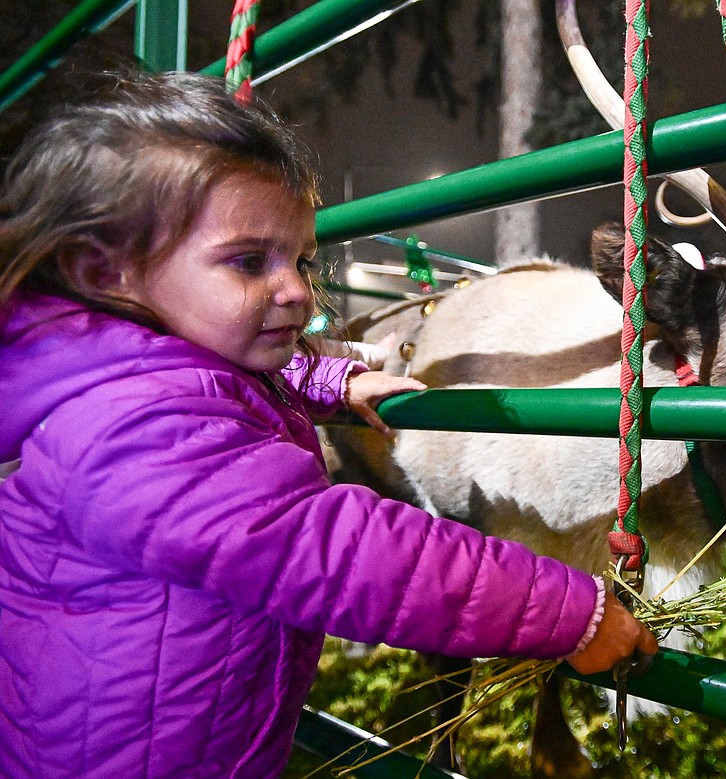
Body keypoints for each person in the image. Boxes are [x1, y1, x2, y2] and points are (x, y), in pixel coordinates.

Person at [0, 69, 656, 778]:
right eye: (250, 261)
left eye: (302, 260)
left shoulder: (127, 376)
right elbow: (354, 553)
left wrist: (336, 380)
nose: (295, 290)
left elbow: (232, 384)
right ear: (106, 271)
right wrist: (563, 608)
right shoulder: (137, 431)